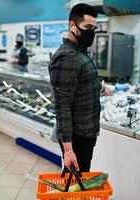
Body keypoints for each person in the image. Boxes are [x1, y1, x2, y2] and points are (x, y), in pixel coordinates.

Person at [48, 3, 112, 172]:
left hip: (87, 133)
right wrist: (68, 150)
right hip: (77, 137)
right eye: (88, 27)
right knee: (76, 184)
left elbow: (84, 80)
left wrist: (100, 87)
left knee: (80, 179)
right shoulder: (66, 58)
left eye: (94, 28)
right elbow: (62, 107)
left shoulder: (79, 53)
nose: (91, 32)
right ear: (72, 26)